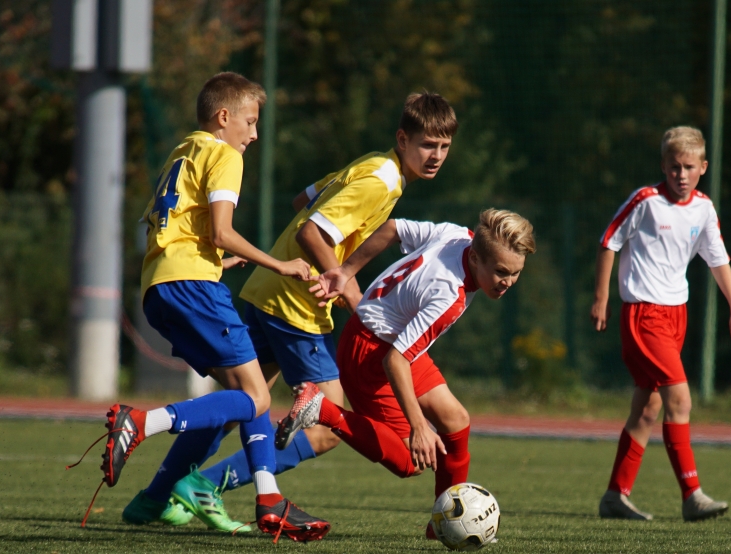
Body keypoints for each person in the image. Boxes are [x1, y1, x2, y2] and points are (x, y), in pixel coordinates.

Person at [165, 92, 459, 528]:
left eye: (444, 147)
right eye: (427, 145)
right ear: (402, 138)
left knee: (242, 404)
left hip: (268, 290)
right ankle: (203, 485)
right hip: (294, 306)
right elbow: (310, 231)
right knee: (324, 427)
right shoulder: (383, 178)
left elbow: (303, 200)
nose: (435, 156)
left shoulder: (370, 164)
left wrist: (339, 269)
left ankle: (159, 494)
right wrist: (347, 289)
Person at [73, 72, 328, 542]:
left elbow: (187, 229)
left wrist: (216, 261)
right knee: (258, 396)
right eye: (250, 122)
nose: (254, 134)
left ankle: (179, 497)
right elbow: (222, 231)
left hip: (161, 287)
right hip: (192, 287)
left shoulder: (183, 150)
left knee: (240, 394)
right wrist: (282, 265)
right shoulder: (224, 154)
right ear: (224, 117)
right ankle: (144, 422)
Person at [277, 208, 536, 541]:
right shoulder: (449, 296)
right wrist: (418, 428)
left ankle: (442, 525)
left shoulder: (456, 234)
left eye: (516, 273)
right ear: (475, 259)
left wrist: (345, 271)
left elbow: (391, 228)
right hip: (371, 354)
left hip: (391, 341)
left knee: (455, 420)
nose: (509, 282)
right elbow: (395, 361)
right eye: (501, 272)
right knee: (410, 463)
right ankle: (321, 408)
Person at [590, 126, 731, 522]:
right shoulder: (645, 201)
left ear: (703, 168)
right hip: (643, 315)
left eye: (689, 167)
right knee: (680, 400)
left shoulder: (703, 209)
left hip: (675, 316)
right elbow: (609, 242)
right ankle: (692, 495)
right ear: (663, 165)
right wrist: (601, 298)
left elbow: (718, 259)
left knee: (648, 409)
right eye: (674, 166)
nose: (680, 174)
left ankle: (615, 496)